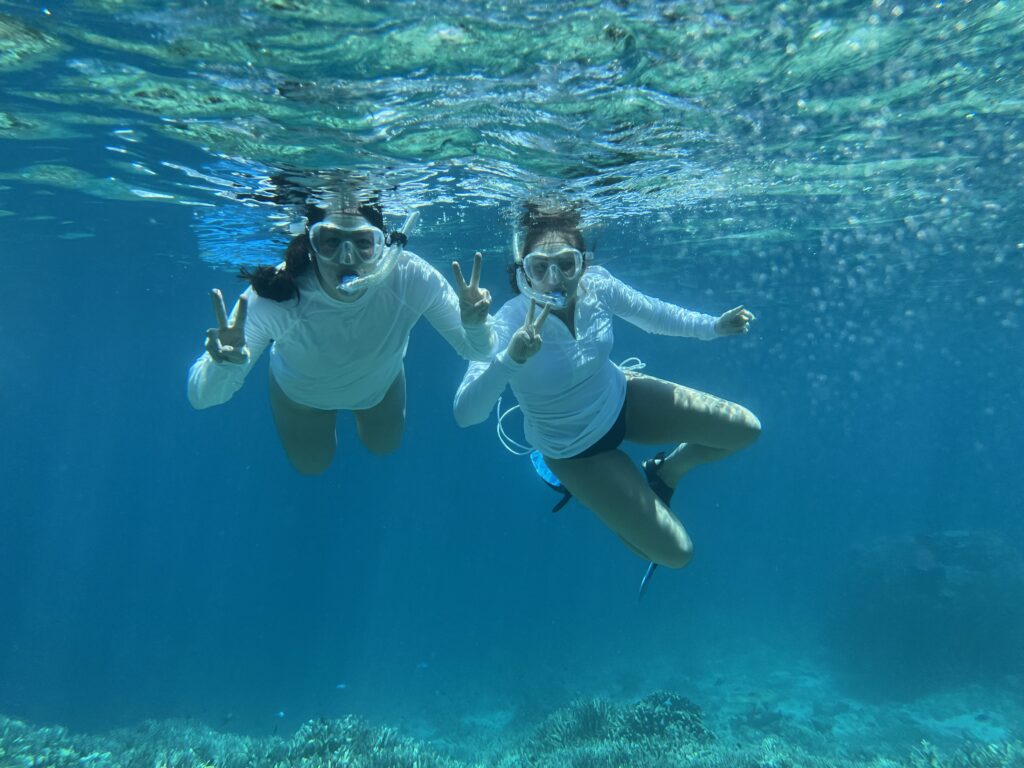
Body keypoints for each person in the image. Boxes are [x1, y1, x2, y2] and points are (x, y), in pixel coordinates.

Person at [453, 205, 760, 569]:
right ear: (525, 273)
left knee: (745, 429)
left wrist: (713, 327)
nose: (555, 279)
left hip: (624, 399)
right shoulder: (506, 322)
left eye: (566, 264)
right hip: (574, 451)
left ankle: (665, 472)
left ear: (582, 263)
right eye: (540, 267)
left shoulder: (597, 286)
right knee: (677, 554)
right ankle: (602, 499)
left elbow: (655, 314)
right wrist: (509, 358)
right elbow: (465, 414)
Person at [188, 195, 495, 474]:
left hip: (380, 387)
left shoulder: (411, 277)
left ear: (384, 245)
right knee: (312, 465)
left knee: (384, 445)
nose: (347, 258)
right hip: (301, 398)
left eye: (363, 242)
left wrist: (474, 324)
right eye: (330, 241)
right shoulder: (277, 294)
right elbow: (202, 398)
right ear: (309, 245)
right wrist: (223, 365)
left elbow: (479, 352)